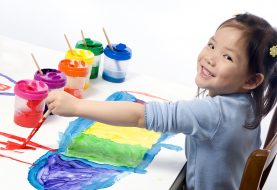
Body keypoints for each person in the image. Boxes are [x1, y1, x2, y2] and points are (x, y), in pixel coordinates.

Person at [46, 13, 277, 190]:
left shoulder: (213, 113)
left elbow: (139, 115)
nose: (211, 57)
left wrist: (75, 107)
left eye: (228, 56)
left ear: (251, 80)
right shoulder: (247, 104)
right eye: (212, 45)